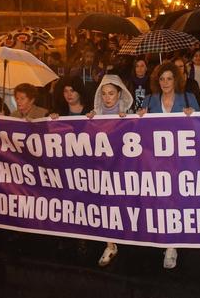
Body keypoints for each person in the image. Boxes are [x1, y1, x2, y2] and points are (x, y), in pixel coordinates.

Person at [139, 61, 200, 269]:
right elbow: (137, 132)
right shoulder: (149, 100)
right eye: (162, 79)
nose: (165, 82)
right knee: (162, 202)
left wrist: (194, 116)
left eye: (169, 78)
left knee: (177, 201)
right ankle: (166, 239)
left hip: (181, 162)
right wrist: (139, 117)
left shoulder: (188, 98)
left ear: (177, 80)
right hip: (156, 163)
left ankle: (172, 245)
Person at [86, 74, 133, 267]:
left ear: (119, 93)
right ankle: (110, 244)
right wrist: (86, 122)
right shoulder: (94, 115)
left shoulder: (127, 114)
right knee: (105, 204)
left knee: (121, 204)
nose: (107, 98)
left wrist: (130, 120)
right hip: (102, 168)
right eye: (104, 93)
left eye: (111, 93)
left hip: (122, 169)